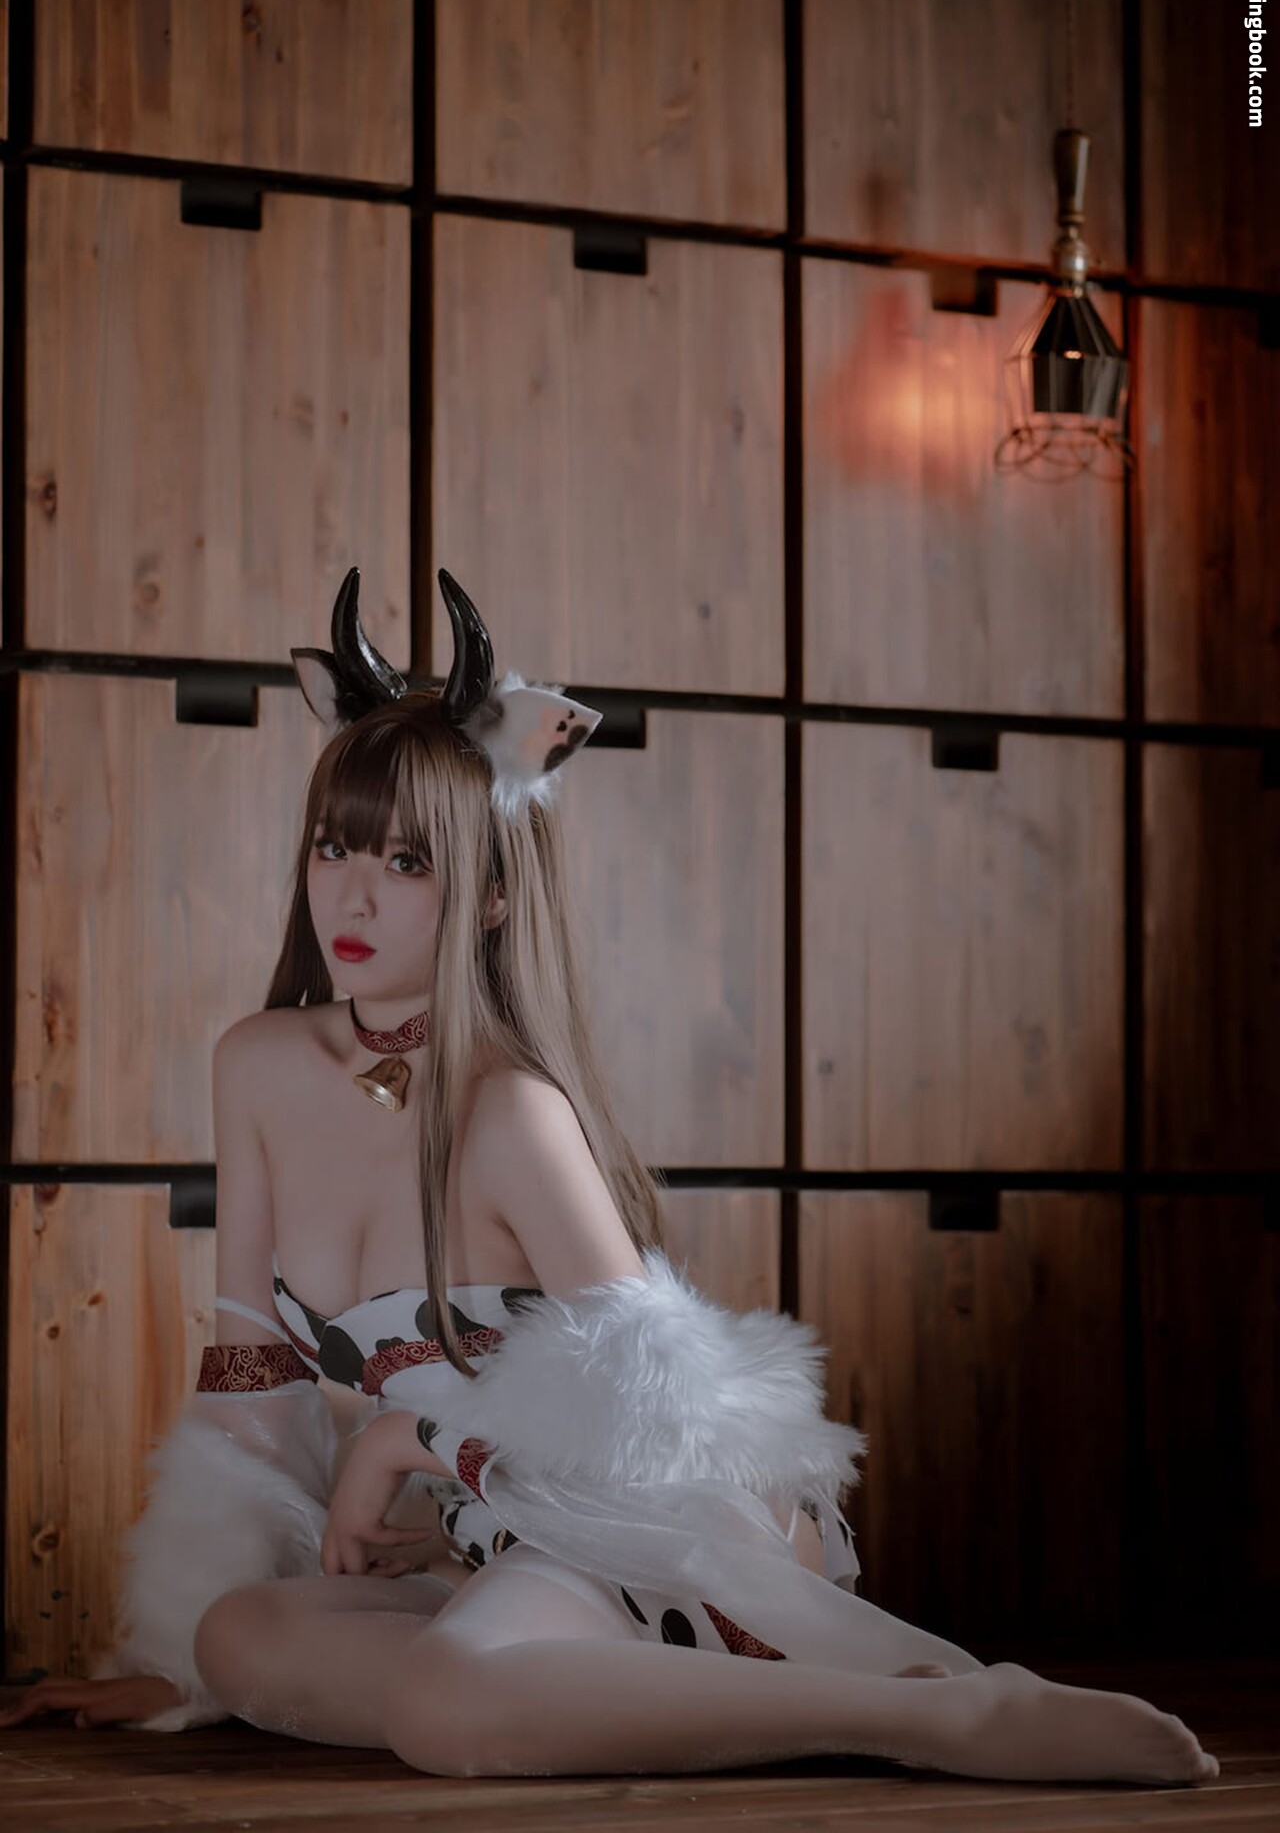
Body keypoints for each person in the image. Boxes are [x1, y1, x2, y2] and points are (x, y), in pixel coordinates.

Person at [0, 570, 1218, 1789]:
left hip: (645, 1530)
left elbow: (654, 1426)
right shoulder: (258, 1064)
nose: (351, 894)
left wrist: (400, 1444)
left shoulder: (511, 1112)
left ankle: (928, 1718)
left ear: (490, 894)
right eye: (333, 846)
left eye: (407, 861)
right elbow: (250, 1374)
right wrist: (175, 1655)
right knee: (242, 1640)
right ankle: (562, 1694)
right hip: (490, 1543)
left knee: (441, 1702)